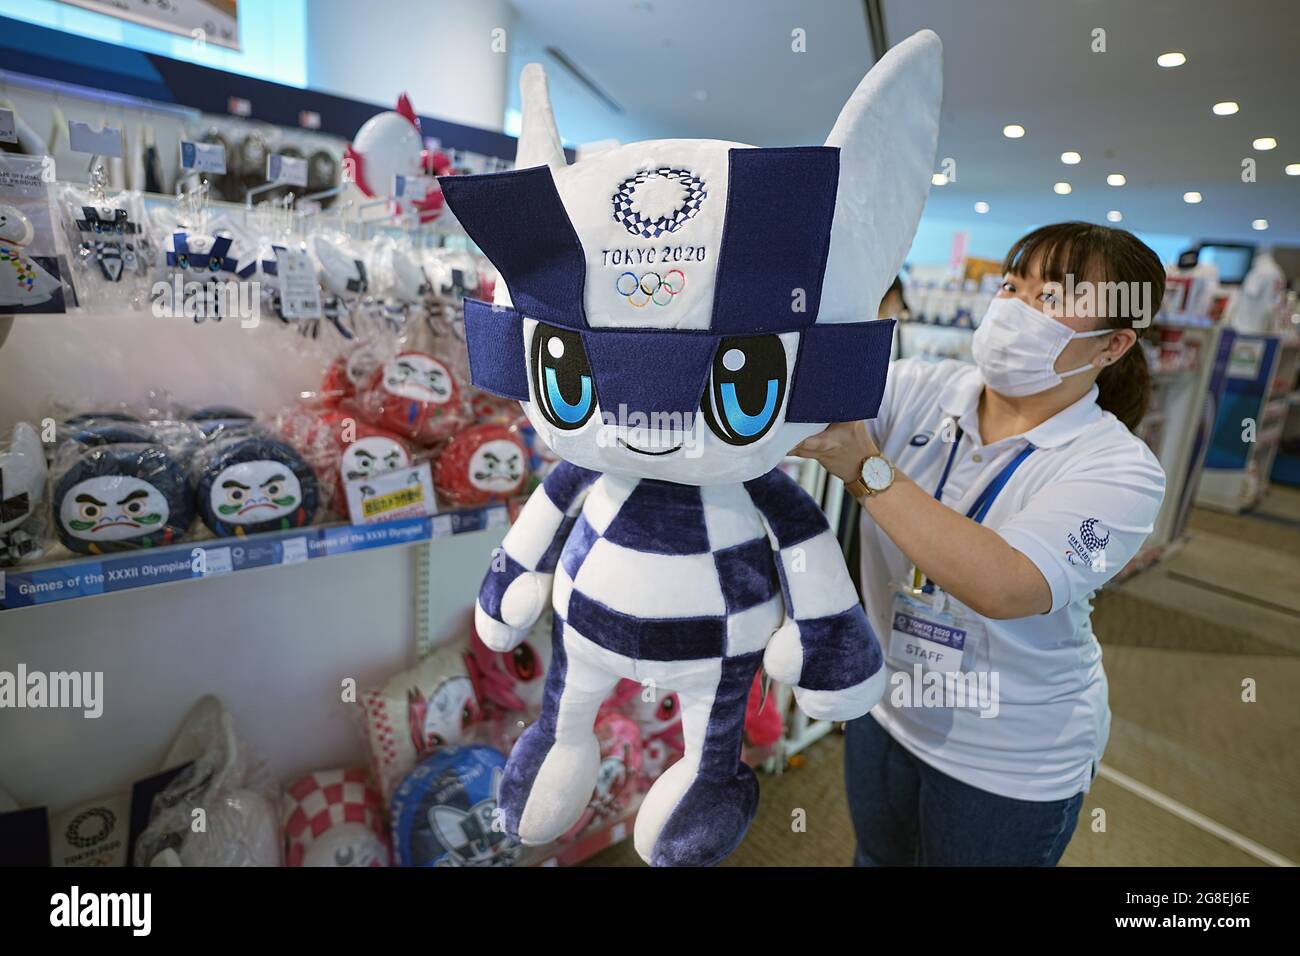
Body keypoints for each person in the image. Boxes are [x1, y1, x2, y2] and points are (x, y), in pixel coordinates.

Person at [792, 221, 1167, 866]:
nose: (1015, 309)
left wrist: (866, 469)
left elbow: (1007, 584)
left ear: (1113, 345)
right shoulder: (921, 388)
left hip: (1010, 757)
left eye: (1051, 298)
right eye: (1012, 286)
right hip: (888, 708)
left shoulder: (1120, 470)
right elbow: (804, 403)